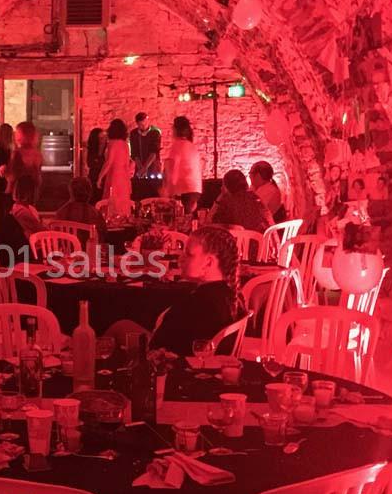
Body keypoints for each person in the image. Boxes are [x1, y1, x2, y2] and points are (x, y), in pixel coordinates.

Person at [105, 226, 242, 357]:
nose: (180, 258)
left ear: (208, 263)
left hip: (170, 362)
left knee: (116, 330)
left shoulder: (199, 305)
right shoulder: (231, 294)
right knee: (123, 325)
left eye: (188, 254)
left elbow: (160, 346)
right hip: (196, 357)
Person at [209, 169, 273, 232]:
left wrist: (220, 198)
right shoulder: (255, 198)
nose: (221, 188)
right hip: (263, 237)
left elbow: (210, 223)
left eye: (223, 185)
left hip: (242, 238)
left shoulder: (227, 202)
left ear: (227, 187)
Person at [163, 116, 202, 214]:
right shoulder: (192, 146)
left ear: (175, 130)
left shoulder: (177, 146)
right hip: (195, 189)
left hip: (183, 189)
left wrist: (168, 190)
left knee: (180, 218)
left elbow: (172, 169)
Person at [98, 118, 134, 201]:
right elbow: (127, 163)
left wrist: (100, 177)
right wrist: (128, 181)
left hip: (114, 174)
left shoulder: (112, 143)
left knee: (111, 199)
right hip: (124, 175)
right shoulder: (125, 144)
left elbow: (109, 162)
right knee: (122, 199)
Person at [4, 121, 43, 197]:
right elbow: (38, 175)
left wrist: (5, 170)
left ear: (23, 135)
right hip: (33, 191)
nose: (15, 135)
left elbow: (12, 176)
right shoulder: (37, 154)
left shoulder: (17, 153)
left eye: (17, 132)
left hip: (17, 192)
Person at [10, 175, 44, 239]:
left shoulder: (29, 208)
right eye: (37, 189)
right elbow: (41, 230)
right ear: (29, 192)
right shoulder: (22, 212)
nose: (39, 193)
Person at [129, 112, 161, 178]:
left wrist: (144, 168)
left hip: (153, 166)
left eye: (145, 123)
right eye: (141, 125)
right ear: (137, 124)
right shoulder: (134, 134)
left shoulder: (155, 132)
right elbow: (134, 153)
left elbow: (154, 152)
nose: (144, 126)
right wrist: (141, 168)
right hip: (139, 166)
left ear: (148, 121)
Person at [86, 127, 107, 202]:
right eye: (101, 138)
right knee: (94, 196)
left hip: (105, 175)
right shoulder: (91, 149)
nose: (103, 140)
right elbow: (89, 163)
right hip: (94, 175)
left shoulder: (107, 148)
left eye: (104, 137)